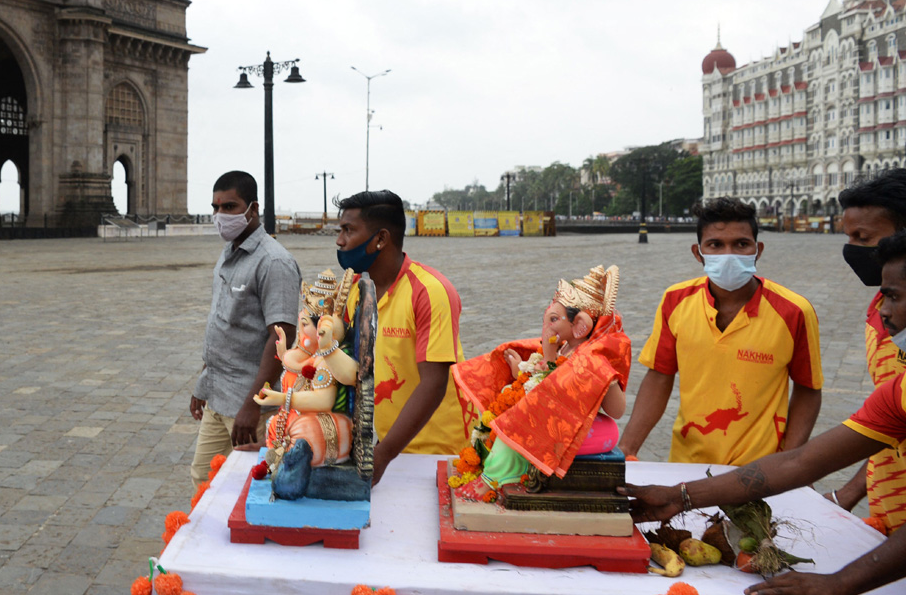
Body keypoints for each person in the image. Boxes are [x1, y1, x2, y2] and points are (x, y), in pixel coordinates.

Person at [623, 228, 906, 595]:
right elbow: (799, 462)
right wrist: (678, 497)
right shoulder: (897, 393)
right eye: (883, 296)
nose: (881, 311)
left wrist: (843, 583)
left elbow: (807, 394)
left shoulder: (791, 308)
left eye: (892, 296)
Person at [618, 197, 823, 465]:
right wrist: (626, 448)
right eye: (715, 245)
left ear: (757, 250)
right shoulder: (675, 300)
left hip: (760, 470)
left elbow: (808, 388)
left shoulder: (794, 311)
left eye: (741, 244)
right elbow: (659, 376)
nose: (729, 254)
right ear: (697, 252)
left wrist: (789, 462)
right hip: (687, 463)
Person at [453, 265, 629, 498]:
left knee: (524, 418)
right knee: (510, 396)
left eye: (554, 319)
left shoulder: (592, 361)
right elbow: (546, 380)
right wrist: (523, 371)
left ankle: (494, 478)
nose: (548, 326)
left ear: (580, 326)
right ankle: (484, 460)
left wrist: (606, 378)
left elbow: (615, 411)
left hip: (584, 427)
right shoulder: (566, 347)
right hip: (557, 418)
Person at [336, 190, 473, 484]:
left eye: (348, 230)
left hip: (438, 454)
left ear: (381, 239)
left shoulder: (431, 291)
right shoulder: (356, 292)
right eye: (340, 230)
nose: (340, 241)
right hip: (384, 446)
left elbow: (434, 384)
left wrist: (382, 457)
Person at [189, 171, 301, 486]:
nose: (219, 216)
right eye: (215, 207)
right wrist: (204, 381)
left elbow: (281, 337)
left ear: (252, 209)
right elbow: (224, 323)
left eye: (229, 207)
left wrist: (253, 407)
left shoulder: (274, 263)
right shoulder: (230, 253)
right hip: (218, 394)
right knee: (203, 477)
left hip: (249, 402)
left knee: (249, 484)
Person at [832, 168, 906, 533]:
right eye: (848, 237)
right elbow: (886, 423)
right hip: (888, 516)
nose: (853, 250)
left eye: (864, 237)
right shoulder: (880, 306)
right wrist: (849, 493)